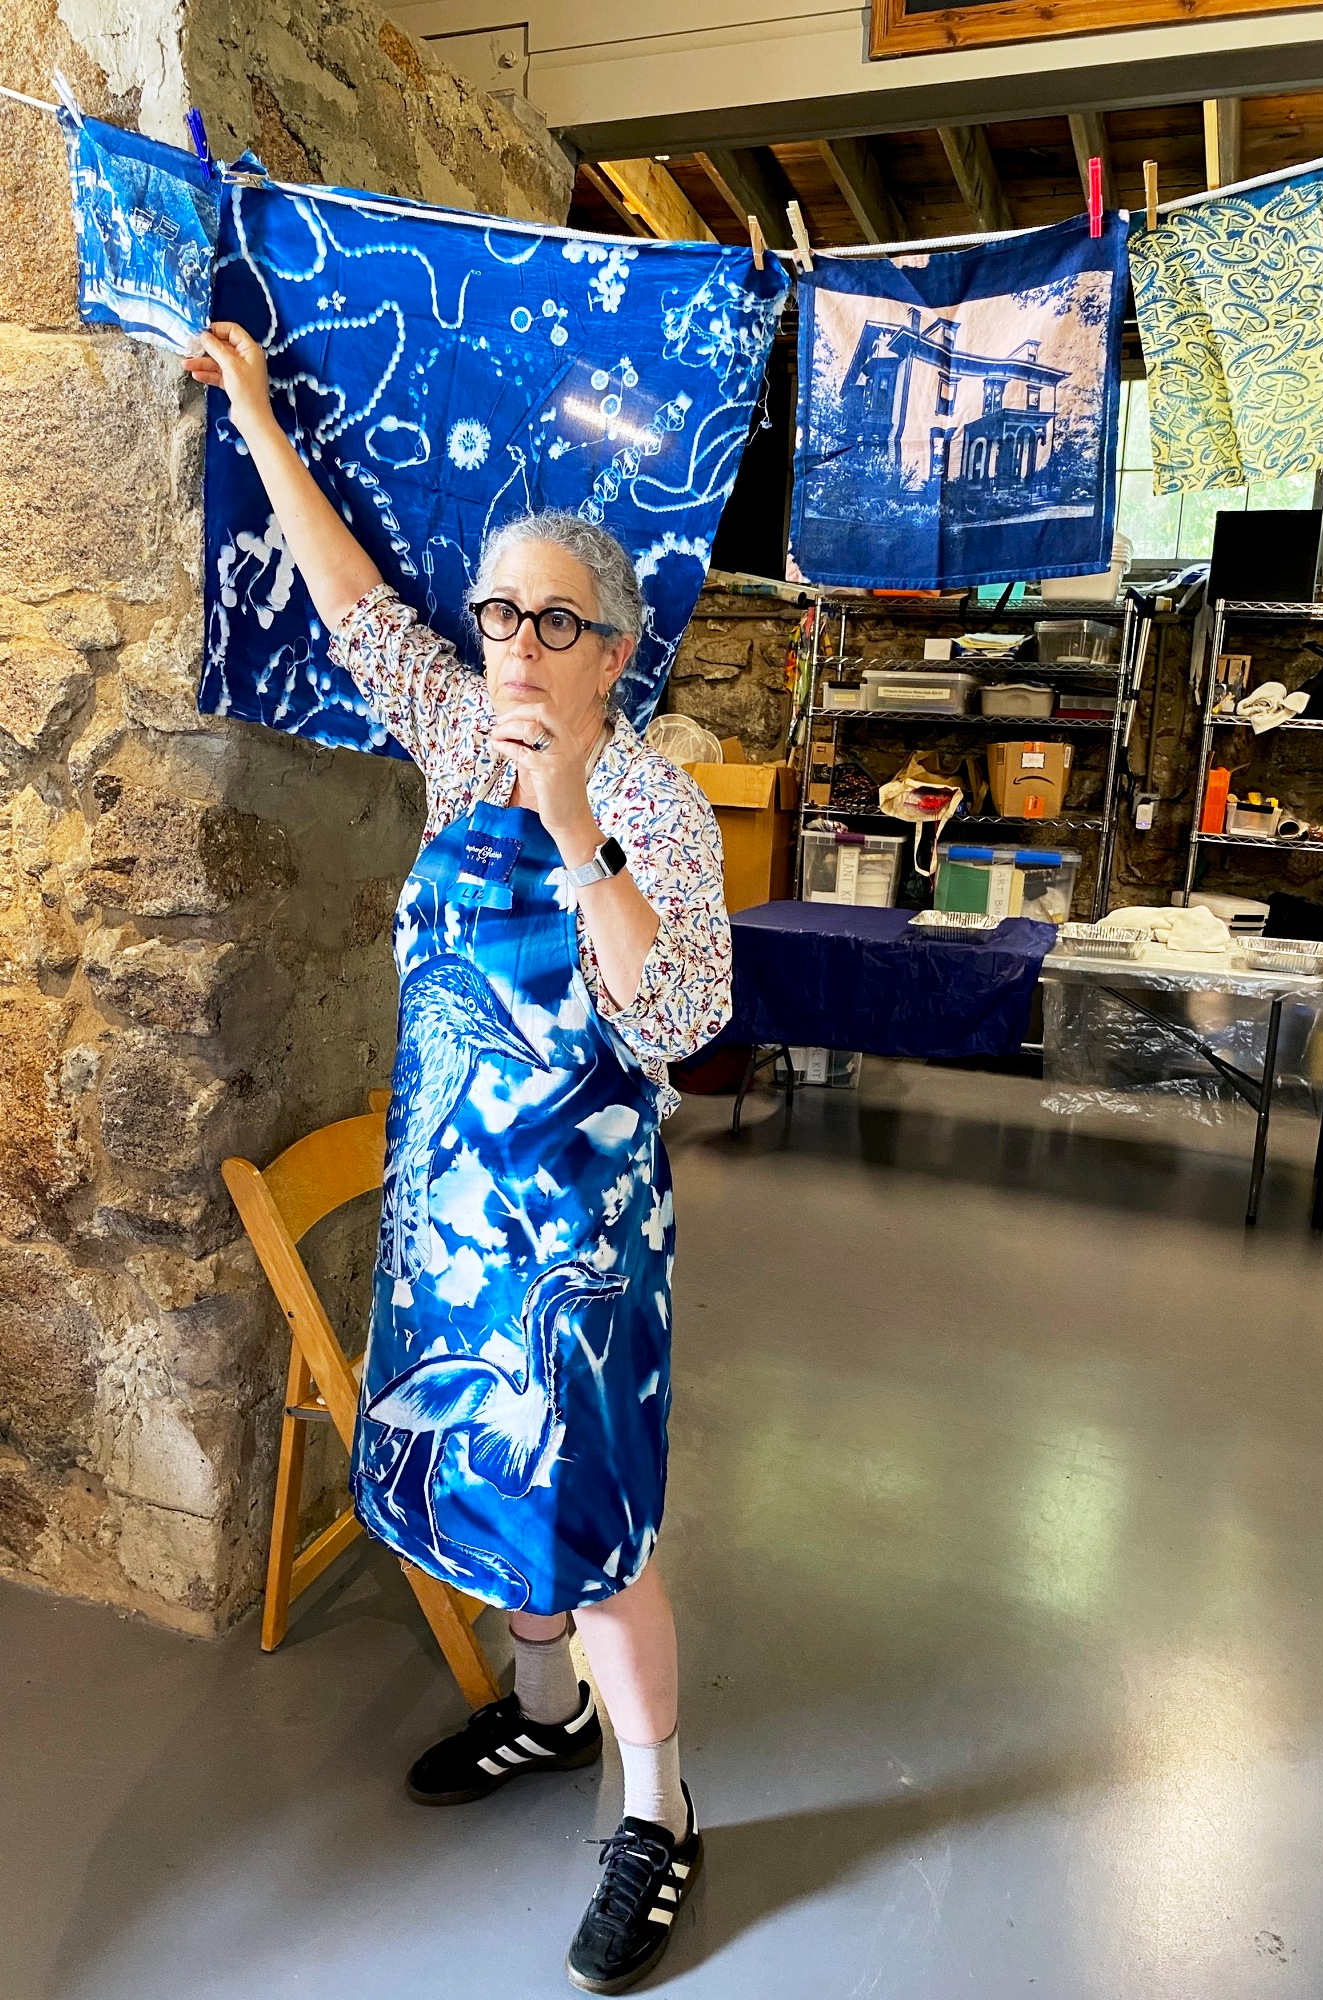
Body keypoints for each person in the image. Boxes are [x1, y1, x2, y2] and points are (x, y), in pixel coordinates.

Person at [185, 322, 732, 1994]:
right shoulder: (446, 732)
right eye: (499, 613)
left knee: (593, 1525)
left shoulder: (654, 800)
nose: (516, 645)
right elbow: (350, 596)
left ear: (614, 649)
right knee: (494, 1492)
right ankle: (545, 1715)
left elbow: (681, 1016)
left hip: (579, 1241)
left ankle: (657, 1809)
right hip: (453, 1221)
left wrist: (574, 827)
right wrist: (257, 415)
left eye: (556, 621)